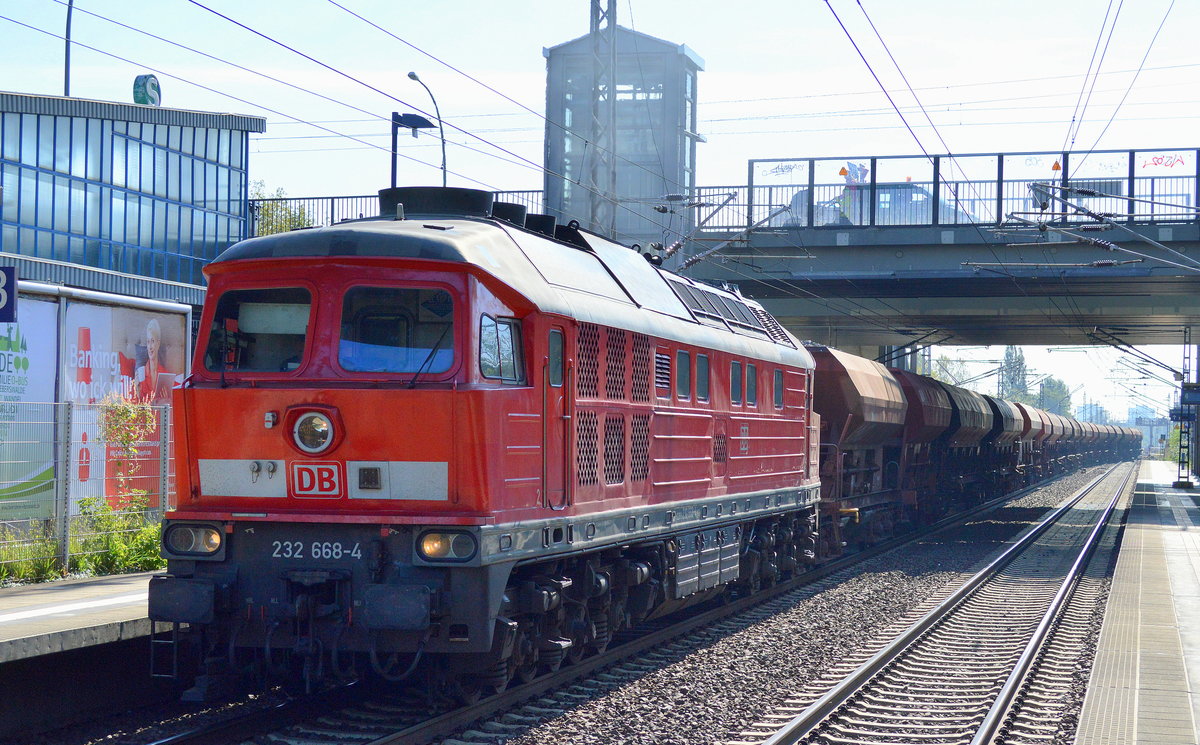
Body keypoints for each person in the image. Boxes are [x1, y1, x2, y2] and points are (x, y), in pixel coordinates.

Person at [134, 318, 172, 404]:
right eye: (148, 342)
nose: (150, 347)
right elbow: (135, 406)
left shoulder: (165, 375)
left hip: (160, 416)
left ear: (158, 344)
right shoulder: (140, 374)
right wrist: (137, 391)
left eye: (153, 341)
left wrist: (165, 400)